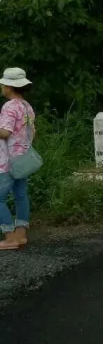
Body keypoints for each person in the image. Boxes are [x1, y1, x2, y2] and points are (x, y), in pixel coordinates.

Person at [0, 67, 35, 251]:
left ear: (9, 87)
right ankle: (21, 234)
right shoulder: (26, 106)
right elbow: (32, 132)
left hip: (8, 160)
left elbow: (5, 132)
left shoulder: (9, 106)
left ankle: (9, 237)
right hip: (23, 158)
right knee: (21, 196)